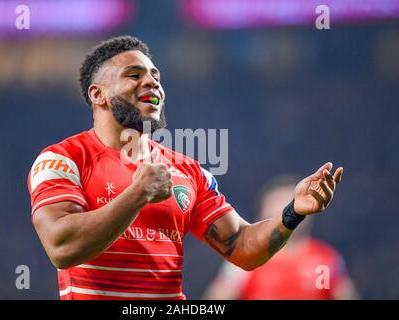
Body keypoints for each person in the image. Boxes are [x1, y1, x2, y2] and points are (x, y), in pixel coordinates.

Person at [27, 35, 344, 300]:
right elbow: (62, 246)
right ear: (98, 95)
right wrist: (138, 193)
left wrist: (293, 212)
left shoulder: (188, 171)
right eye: (134, 75)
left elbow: (242, 248)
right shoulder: (64, 159)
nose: (151, 82)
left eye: (156, 77)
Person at [203, 175, 359, 300]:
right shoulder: (244, 258)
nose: (286, 211)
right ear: (262, 213)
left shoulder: (325, 259)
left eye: (290, 203)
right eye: (277, 204)